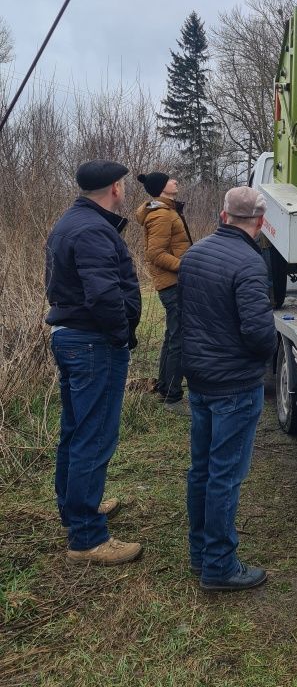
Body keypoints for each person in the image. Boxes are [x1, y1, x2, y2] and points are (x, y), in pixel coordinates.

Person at [178, 185, 277, 591]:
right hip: (235, 387)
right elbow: (258, 332)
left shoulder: (194, 254)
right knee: (224, 476)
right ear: (260, 222)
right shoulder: (249, 264)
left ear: (222, 216)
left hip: (200, 381)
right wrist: (269, 349)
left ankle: (200, 555)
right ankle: (219, 566)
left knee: (201, 470)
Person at [45, 160, 143, 565]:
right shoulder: (91, 230)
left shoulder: (74, 221)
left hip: (74, 340)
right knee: (94, 437)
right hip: (92, 344)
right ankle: (86, 538)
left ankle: (77, 510)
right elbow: (103, 295)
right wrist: (120, 336)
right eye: (122, 183)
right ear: (115, 188)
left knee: (76, 431)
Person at [135, 171, 192, 415]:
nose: (175, 181)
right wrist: (186, 266)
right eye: (170, 179)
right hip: (172, 284)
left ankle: (165, 388)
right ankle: (173, 397)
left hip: (174, 282)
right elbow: (155, 254)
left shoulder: (167, 211)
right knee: (179, 338)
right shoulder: (160, 215)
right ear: (161, 187)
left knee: (172, 337)